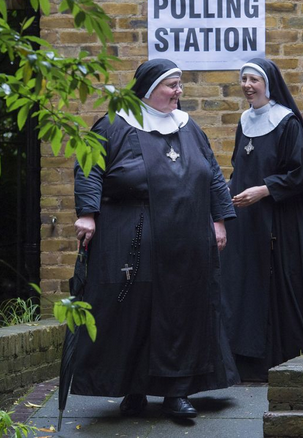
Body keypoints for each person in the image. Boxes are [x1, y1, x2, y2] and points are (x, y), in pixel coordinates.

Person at [71, 58, 239, 419]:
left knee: (181, 311)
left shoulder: (188, 126)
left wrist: (219, 219)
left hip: (187, 237)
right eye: (172, 85)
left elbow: (211, 173)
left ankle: (176, 392)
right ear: (148, 90)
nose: (179, 91)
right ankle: (132, 389)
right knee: (131, 309)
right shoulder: (114, 125)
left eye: (180, 84)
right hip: (133, 231)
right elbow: (89, 166)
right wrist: (87, 212)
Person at [219, 58, 303, 382]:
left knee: (279, 285)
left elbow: (302, 174)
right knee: (246, 286)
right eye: (243, 79)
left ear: (268, 84)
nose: (247, 85)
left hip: (280, 222)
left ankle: (283, 358)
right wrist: (230, 188)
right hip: (248, 221)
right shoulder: (244, 120)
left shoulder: (287, 123)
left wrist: (265, 189)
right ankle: (248, 363)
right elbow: (238, 166)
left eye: (253, 79)